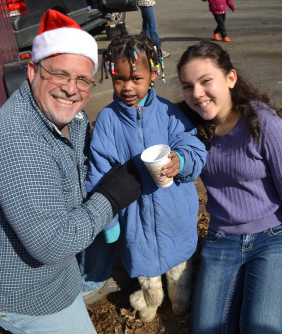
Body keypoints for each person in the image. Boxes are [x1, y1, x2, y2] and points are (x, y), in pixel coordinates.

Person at [0, 10, 142, 334]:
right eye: (60, 75)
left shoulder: (69, 118)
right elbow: (53, 243)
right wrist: (111, 196)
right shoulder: (18, 142)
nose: (72, 89)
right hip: (19, 292)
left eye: (83, 80)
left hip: (52, 276)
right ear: (32, 71)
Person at [177, 41, 282, 333]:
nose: (197, 94)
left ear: (230, 78)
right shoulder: (187, 126)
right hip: (221, 241)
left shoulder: (264, 123)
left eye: (206, 81)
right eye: (187, 86)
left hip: (274, 239)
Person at [83, 32, 207, 322]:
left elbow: (193, 146)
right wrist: (109, 222)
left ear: (153, 74)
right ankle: (150, 302)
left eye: (135, 79)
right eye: (119, 79)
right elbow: (99, 175)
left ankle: (181, 303)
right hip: (135, 218)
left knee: (179, 271)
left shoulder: (168, 113)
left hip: (175, 212)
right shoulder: (108, 121)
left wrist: (182, 160)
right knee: (146, 271)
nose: (127, 87)